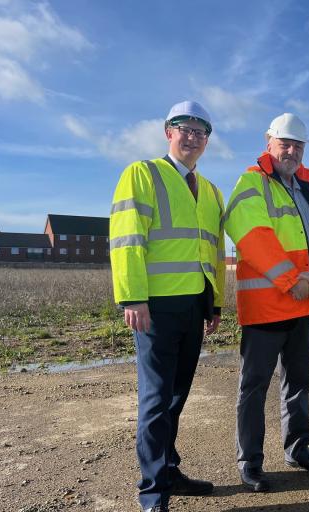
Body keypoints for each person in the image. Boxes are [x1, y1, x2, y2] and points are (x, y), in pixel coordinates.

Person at [223, 113, 309, 492]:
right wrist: (290, 280)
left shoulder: (307, 182)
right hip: (269, 304)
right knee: (254, 387)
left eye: (298, 145)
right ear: (268, 141)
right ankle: (249, 462)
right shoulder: (253, 181)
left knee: (298, 383)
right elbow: (252, 234)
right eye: (285, 143)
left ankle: (298, 448)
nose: (292, 150)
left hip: (303, 303)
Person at [109, 100, 226, 512]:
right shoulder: (142, 174)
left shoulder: (211, 191)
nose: (193, 137)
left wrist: (215, 304)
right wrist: (133, 297)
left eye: (201, 131)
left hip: (195, 305)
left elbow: (213, 250)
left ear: (207, 140)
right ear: (168, 132)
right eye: (185, 128)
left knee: (177, 396)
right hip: (155, 306)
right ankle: (153, 492)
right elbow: (127, 239)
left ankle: (169, 469)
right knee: (156, 398)